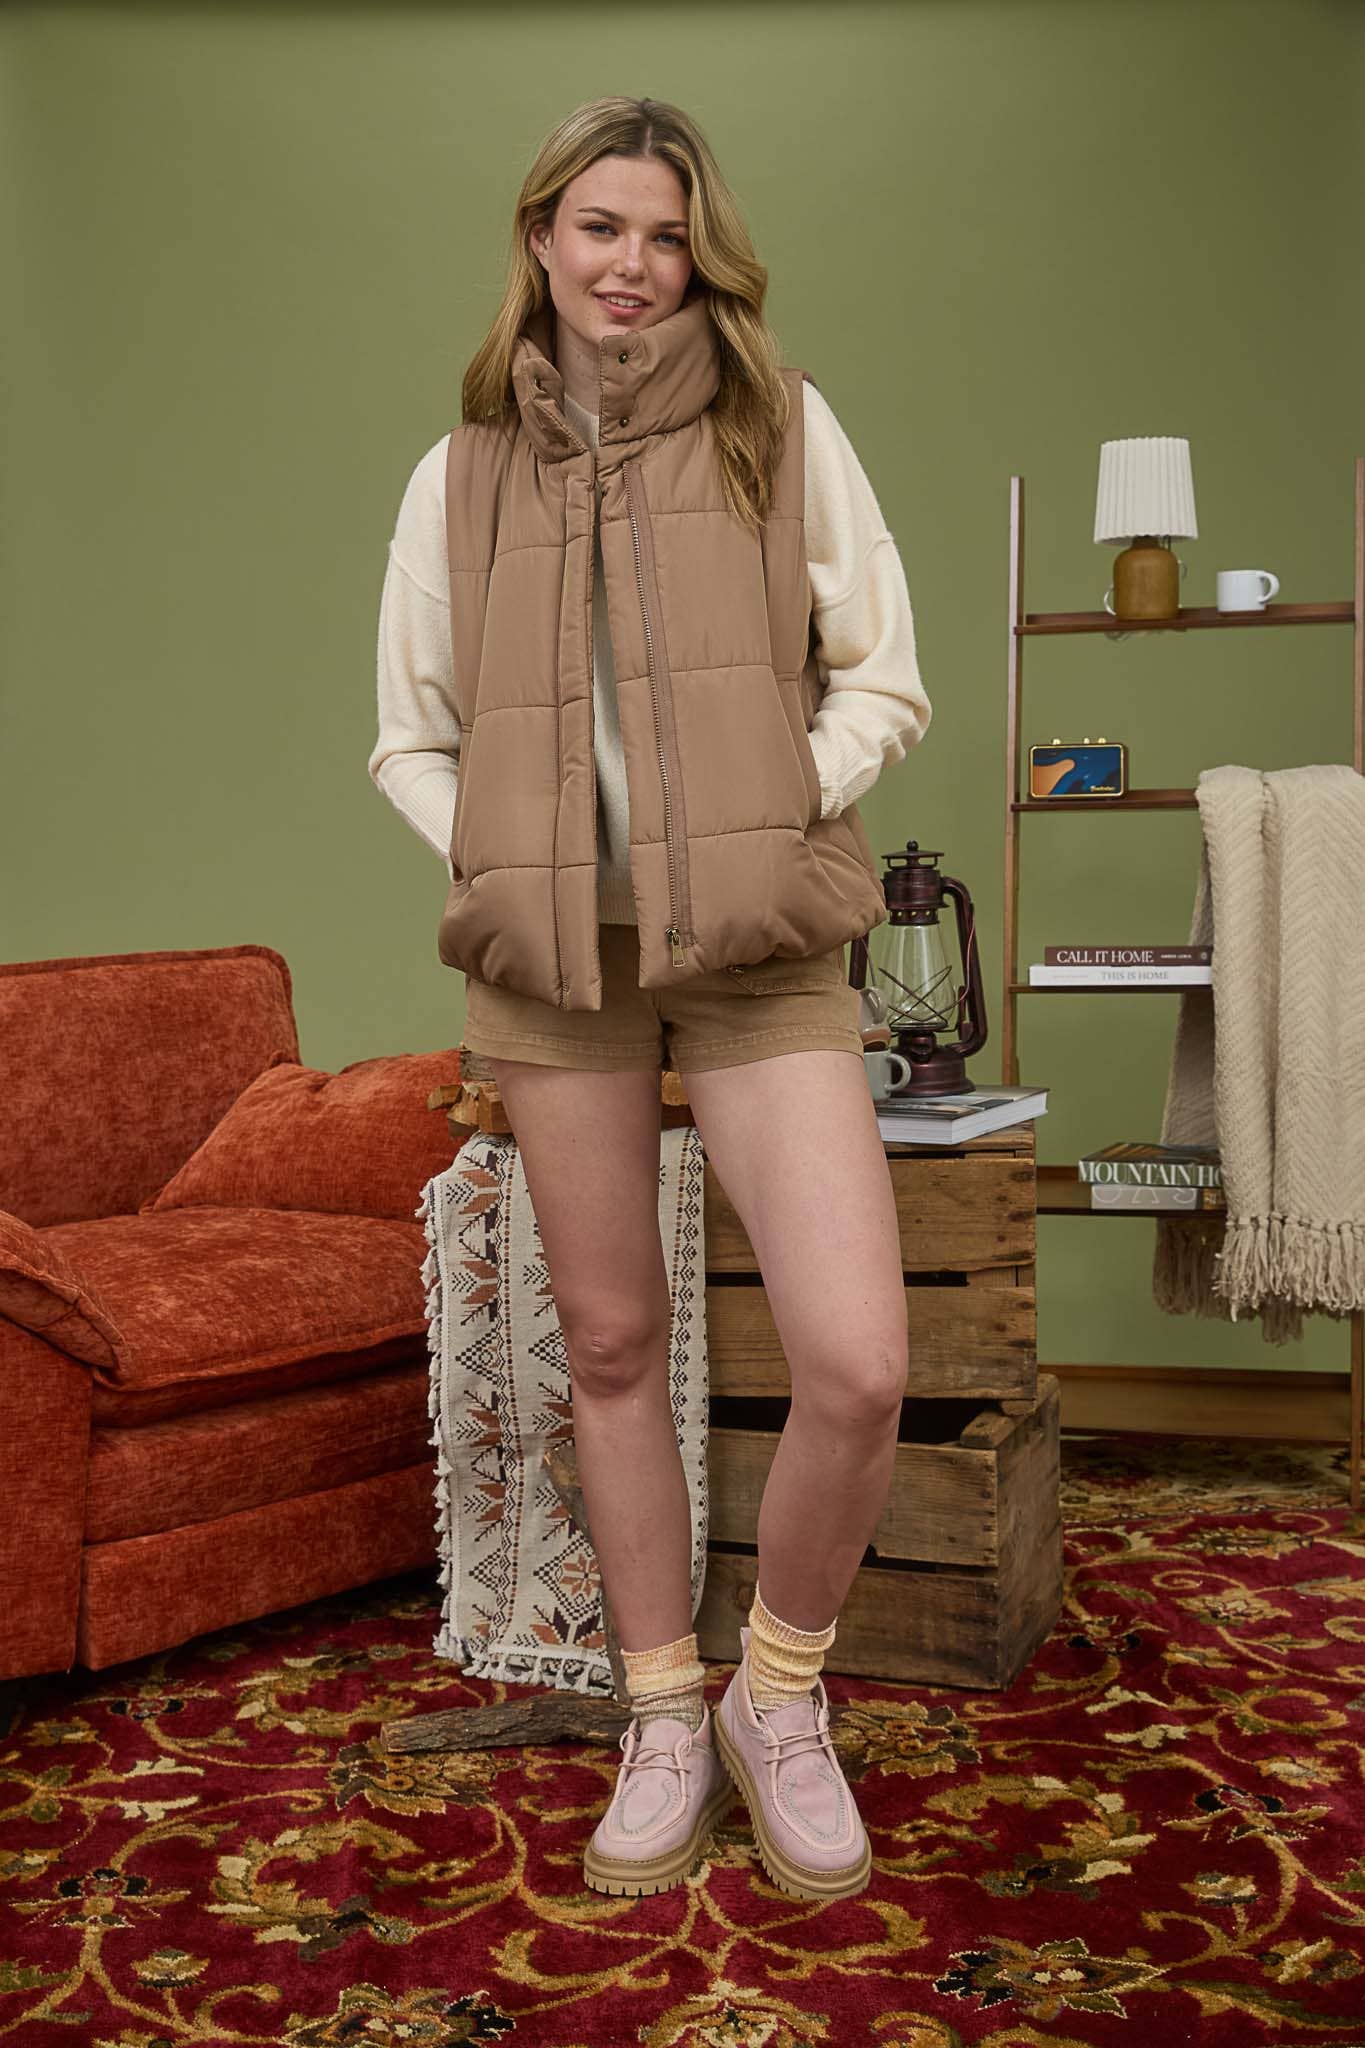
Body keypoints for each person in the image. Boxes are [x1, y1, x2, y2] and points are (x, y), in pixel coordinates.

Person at [370, 96, 932, 1903]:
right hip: (558, 969)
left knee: (858, 1361)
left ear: (703, 256)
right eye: (600, 226)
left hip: (760, 949)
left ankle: (780, 1694)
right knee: (609, 1347)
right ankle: (664, 1711)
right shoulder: (459, 473)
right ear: (540, 236)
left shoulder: (781, 424)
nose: (631, 264)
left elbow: (881, 677)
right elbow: (409, 736)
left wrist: (773, 816)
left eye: (666, 234)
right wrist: (505, 858)